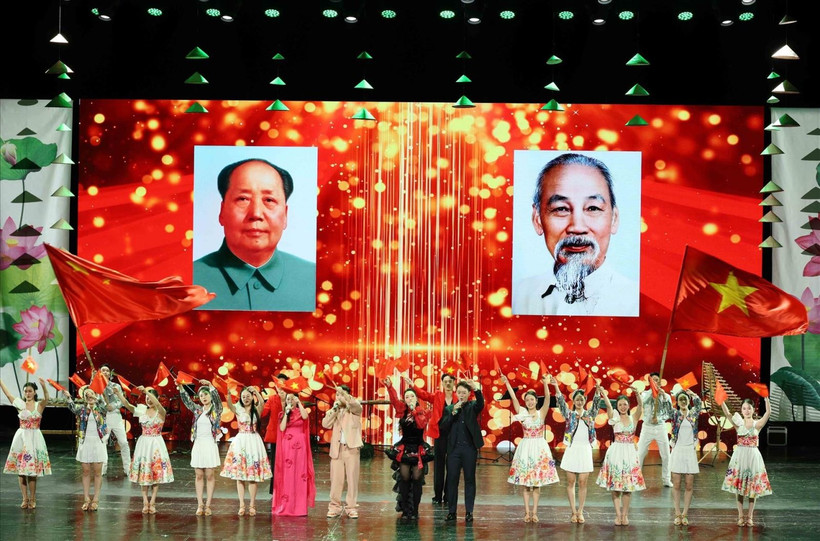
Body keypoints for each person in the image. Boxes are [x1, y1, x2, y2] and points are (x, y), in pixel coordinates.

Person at [513, 152, 638, 316]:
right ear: (537, 219)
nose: (577, 227)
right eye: (561, 209)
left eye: (593, 208)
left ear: (614, 219)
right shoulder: (518, 297)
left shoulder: (636, 302)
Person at [193, 158, 316, 311]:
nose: (256, 213)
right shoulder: (187, 284)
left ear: (285, 215)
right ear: (222, 212)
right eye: (243, 199)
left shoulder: (316, 279)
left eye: (269, 200)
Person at [501, 373, 559, 523]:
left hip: (539, 447)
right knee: (526, 483)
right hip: (526, 447)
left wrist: (546, 383)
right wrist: (507, 383)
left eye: (532, 399)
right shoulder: (522, 413)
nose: (530, 402)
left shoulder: (541, 413)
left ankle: (535, 512)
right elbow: (513, 398)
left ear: (535, 401)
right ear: (525, 402)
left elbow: (547, 398)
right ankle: (527, 513)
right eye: (527, 400)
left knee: (536, 483)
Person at [403, 371, 458, 505]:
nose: (448, 383)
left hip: (454, 435)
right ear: (442, 383)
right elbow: (424, 395)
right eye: (445, 381)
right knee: (439, 466)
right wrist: (412, 385)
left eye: (450, 381)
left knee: (452, 466)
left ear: (454, 383)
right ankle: (438, 495)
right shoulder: (438, 395)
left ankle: (448, 495)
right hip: (439, 434)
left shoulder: (459, 397)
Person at [116, 386, 174, 513]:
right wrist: (119, 394)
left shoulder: (161, 411)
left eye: (151, 398)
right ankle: (145, 502)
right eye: (147, 398)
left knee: (155, 473)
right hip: (144, 443)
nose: (149, 400)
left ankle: (152, 502)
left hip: (156, 443)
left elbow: (157, 404)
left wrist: (147, 391)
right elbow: (128, 405)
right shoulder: (142, 410)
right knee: (144, 472)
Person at [554, 380, 605, 523]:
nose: (579, 401)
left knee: (583, 482)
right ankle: (573, 511)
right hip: (572, 449)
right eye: (577, 399)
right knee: (570, 482)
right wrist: (556, 386)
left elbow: (596, 403)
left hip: (585, 450)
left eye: (582, 399)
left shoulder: (590, 414)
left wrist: (598, 391)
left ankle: (580, 511)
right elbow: (561, 402)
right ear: (573, 401)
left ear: (584, 401)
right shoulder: (569, 414)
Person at [382, 378, 433, 520]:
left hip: (419, 449)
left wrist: (414, 411)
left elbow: (421, 425)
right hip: (404, 448)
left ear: (416, 398)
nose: (409, 398)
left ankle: (415, 510)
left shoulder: (424, 411)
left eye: (412, 396)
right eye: (406, 397)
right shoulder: (402, 410)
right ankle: (405, 509)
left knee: (417, 479)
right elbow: (393, 400)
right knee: (404, 478)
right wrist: (389, 386)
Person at [596, 387, 646, 526]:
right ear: (616, 407)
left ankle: (625, 515)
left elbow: (641, 406)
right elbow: (607, 404)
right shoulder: (614, 417)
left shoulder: (633, 417)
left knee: (627, 487)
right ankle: (618, 515)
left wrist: (637, 394)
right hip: (616, 452)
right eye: (620, 405)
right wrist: (602, 391)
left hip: (629, 452)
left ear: (629, 405)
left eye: (625, 404)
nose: (623, 407)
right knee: (616, 486)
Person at [720, 395, 772, 527]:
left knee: (752, 488)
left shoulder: (757, 424)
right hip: (740, 456)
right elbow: (727, 413)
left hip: (753, 456)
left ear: (753, 410)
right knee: (739, 487)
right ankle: (740, 516)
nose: (747, 410)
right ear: (741, 410)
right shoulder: (738, 423)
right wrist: (721, 401)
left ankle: (749, 516)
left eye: (749, 408)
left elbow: (768, 413)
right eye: (744, 408)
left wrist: (766, 399)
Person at [221, 386, 272, 516]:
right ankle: (242, 505)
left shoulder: (256, 410)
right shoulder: (238, 409)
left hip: (254, 441)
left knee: (252, 476)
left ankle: (252, 505)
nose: (246, 398)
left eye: (248, 396)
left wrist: (256, 392)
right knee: (240, 476)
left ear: (252, 397)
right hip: (241, 441)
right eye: (243, 396)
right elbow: (230, 405)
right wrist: (227, 394)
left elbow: (262, 403)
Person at [1, 378, 51, 509]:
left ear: (34, 392)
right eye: (26, 391)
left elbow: (47, 398)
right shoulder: (20, 404)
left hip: (34, 438)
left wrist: (44, 386)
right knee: (21, 470)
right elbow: (8, 394)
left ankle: (33, 498)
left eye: (30, 391)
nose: (27, 393)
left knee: (32, 471)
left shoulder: (39, 405)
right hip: (22, 438)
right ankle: (25, 498)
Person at [440, 379, 484, 523]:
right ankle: (452, 511)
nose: (461, 395)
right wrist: (452, 413)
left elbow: (481, 403)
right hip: (453, 450)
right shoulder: (449, 408)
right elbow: (443, 427)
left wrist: (476, 389)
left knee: (469, 480)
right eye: (459, 392)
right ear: (456, 393)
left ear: (468, 394)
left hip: (469, 449)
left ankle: (469, 512)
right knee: (452, 480)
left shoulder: (473, 406)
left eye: (464, 393)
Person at [178, 379, 223, 516]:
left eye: (206, 394)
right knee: (198, 475)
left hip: (210, 443)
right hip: (198, 443)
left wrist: (210, 385)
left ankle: (208, 505)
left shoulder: (216, 409)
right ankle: (200, 504)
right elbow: (187, 401)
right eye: (201, 395)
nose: (204, 397)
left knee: (209, 474)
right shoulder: (197, 410)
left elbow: (218, 400)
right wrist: (180, 387)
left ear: (210, 396)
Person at [63, 385, 108, 511]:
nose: (89, 397)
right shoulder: (82, 410)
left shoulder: (101, 408)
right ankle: (86, 498)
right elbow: (72, 407)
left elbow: (108, 405)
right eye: (86, 395)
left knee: (98, 472)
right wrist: (69, 398)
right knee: (86, 471)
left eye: (91, 394)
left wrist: (96, 397)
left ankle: (96, 499)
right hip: (85, 442)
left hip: (98, 442)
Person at [321, 384, 363, 519]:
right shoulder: (335, 410)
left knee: (352, 479)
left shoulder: (354, 408)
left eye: (341, 394)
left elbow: (356, 405)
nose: (339, 397)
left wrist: (346, 397)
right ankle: (334, 506)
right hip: (337, 450)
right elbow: (325, 424)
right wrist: (334, 409)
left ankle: (351, 507)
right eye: (337, 395)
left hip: (351, 449)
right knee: (336, 480)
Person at [272, 392, 316, 516]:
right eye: (288, 399)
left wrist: (299, 404)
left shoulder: (300, 412)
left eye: (292, 398)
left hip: (300, 446)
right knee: (288, 474)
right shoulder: (282, 414)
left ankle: (300, 508)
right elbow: (282, 428)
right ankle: (287, 505)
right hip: (288, 445)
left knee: (300, 474)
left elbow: (305, 417)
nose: (290, 401)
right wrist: (286, 413)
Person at [669, 388, 702, 526]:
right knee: (676, 484)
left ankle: (685, 514)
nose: (683, 401)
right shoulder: (675, 414)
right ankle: (677, 513)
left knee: (689, 485)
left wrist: (693, 394)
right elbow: (665, 405)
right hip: (677, 450)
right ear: (677, 402)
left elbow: (699, 403)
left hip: (689, 451)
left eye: (685, 399)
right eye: (681, 399)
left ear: (688, 401)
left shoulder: (693, 413)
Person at [93, 364, 131, 475]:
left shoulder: (116, 386)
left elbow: (121, 401)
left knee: (123, 442)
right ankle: (103, 469)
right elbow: (95, 402)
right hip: (104, 418)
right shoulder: (97, 387)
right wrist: (105, 407)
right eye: (103, 370)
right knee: (103, 441)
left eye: (107, 371)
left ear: (110, 374)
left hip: (116, 416)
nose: (105, 372)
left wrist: (113, 406)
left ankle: (127, 468)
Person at [637, 372, 674, 488]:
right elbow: (642, 403)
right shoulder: (645, 394)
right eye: (653, 380)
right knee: (640, 453)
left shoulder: (666, 396)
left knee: (666, 454)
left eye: (657, 380)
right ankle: (636, 478)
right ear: (650, 382)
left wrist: (662, 397)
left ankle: (666, 479)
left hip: (660, 427)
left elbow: (669, 413)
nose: (655, 382)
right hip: (647, 426)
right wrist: (653, 393)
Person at [261, 373, 288, 495]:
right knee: (275, 464)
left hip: (289, 436)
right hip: (276, 436)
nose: (280, 386)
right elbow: (263, 414)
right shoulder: (272, 399)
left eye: (283, 384)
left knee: (288, 464)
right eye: (278, 384)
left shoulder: (292, 398)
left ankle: (288, 488)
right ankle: (275, 490)